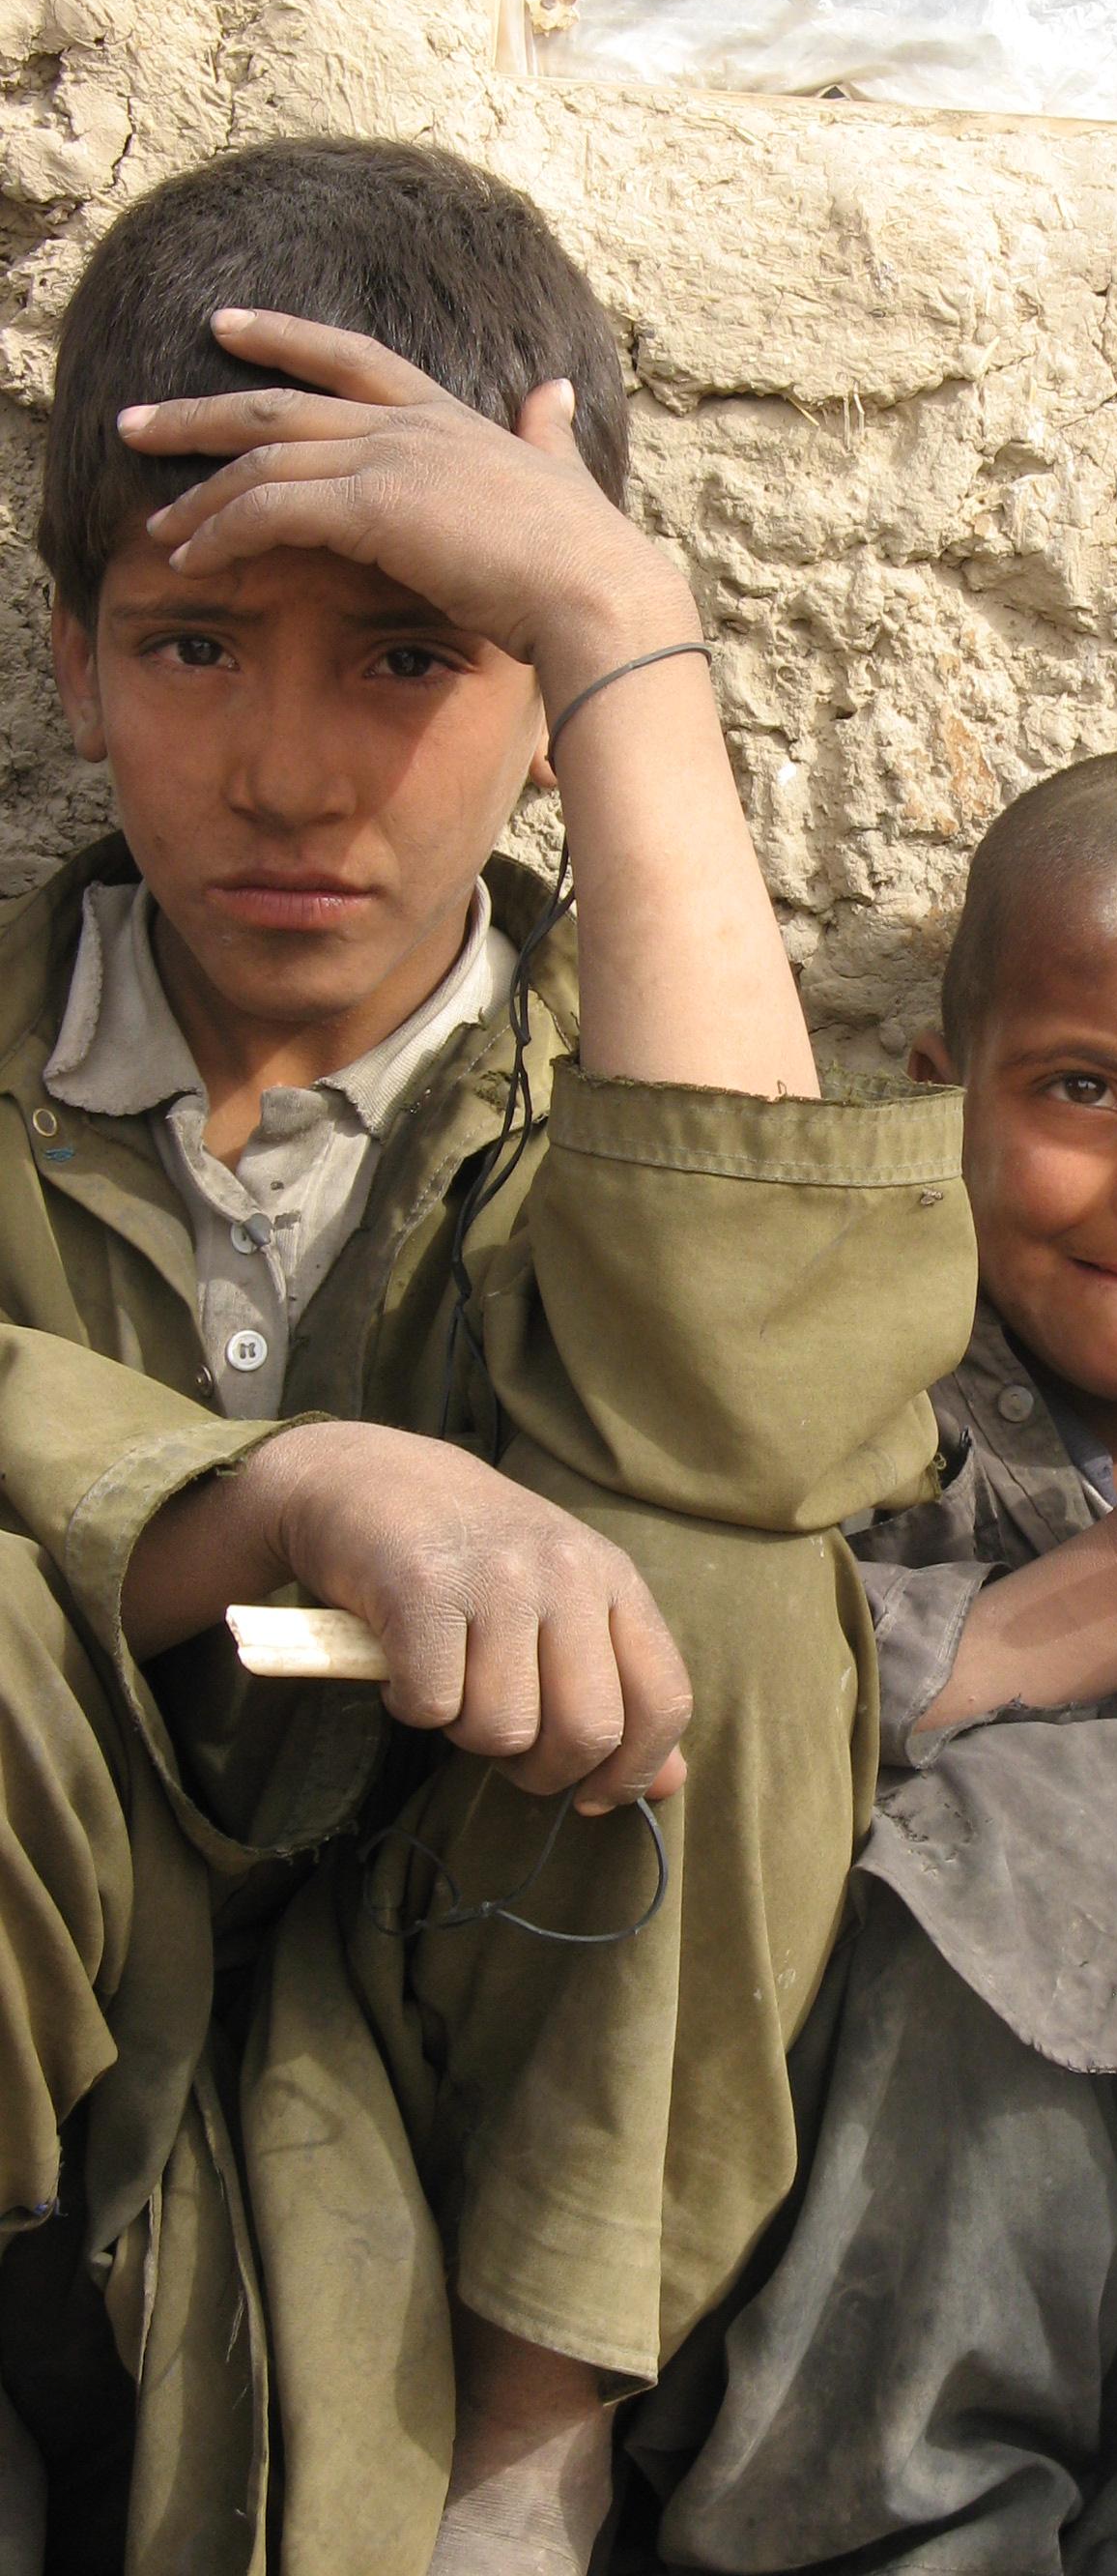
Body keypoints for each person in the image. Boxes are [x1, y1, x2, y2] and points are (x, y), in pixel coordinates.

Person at [0, 137, 973, 2576]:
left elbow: (763, 1429)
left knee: (734, 1588)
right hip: (56, 2033)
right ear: (69, 666)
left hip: (480, 2016)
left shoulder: (616, 1093)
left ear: (540, 702)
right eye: (194, 645)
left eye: (416, 653)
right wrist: (289, 1485)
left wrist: (628, 640)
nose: (296, 769)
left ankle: (526, 2475)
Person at [616, 747, 1117, 2576]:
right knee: (1035, 1819)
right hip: (820, 2299)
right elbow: (756, 1721)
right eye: (1086, 1088)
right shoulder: (851, 1405)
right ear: (944, 1104)